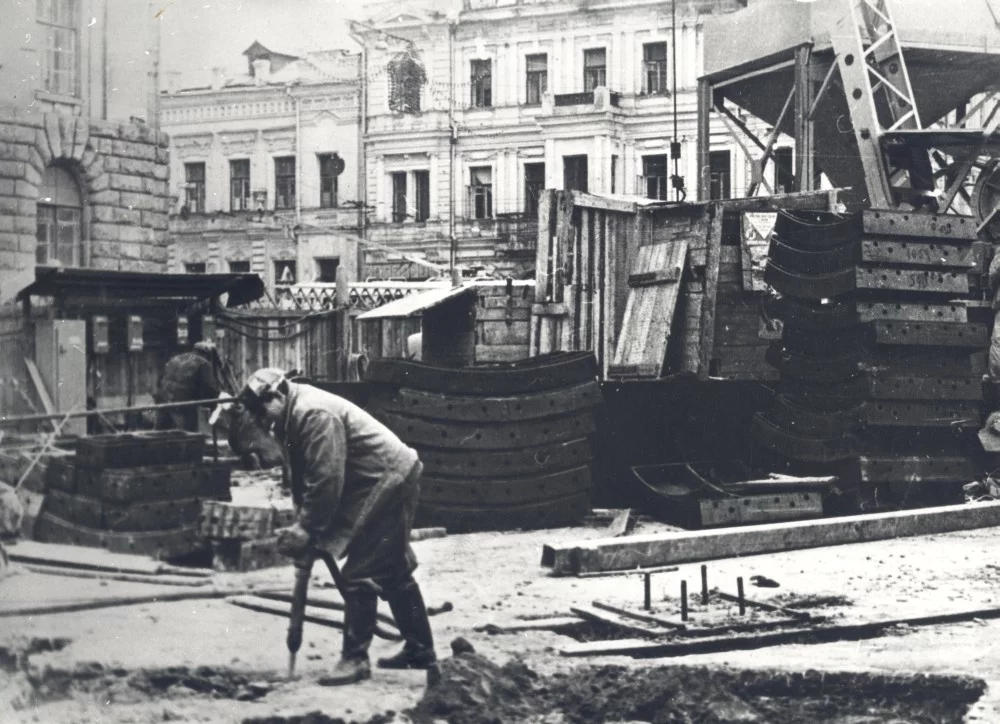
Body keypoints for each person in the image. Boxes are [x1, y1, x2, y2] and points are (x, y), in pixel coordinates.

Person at [237, 368, 436, 686]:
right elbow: (304, 475)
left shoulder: (314, 414)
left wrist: (307, 528)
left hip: (389, 479)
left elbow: (327, 479)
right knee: (393, 570)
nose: (264, 422)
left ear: (277, 395)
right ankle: (420, 649)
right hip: (374, 480)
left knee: (359, 571)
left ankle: (355, 660)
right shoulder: (290, 415)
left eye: (263, 413)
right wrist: (303, 523)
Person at [155, 341, 223, 432]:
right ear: (208, 354)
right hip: (182, 406)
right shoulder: (204, 363)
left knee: (160, 435)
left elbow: (159, 380)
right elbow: (210, 389)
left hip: (163, 402)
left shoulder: (175, 358)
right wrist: (213, 404)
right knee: (187, 436)